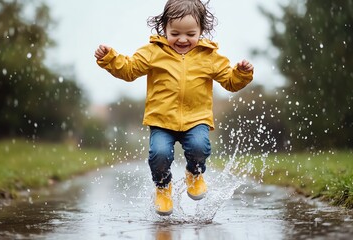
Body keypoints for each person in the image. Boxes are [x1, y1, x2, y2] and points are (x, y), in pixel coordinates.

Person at [94, 0, 254, 216]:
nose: (182, 39)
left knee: (199, 147)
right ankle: (162, 187)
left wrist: (241, 73)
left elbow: (230, 82)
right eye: (175, 32)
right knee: (159, 154)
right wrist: (109, 58)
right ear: (164, 28)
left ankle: (194, 173)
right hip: (161, 120)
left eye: (190, 33)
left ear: (201, 30)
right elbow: (130, 69)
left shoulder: (210, 57)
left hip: (196, 119)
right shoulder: (153, 52)